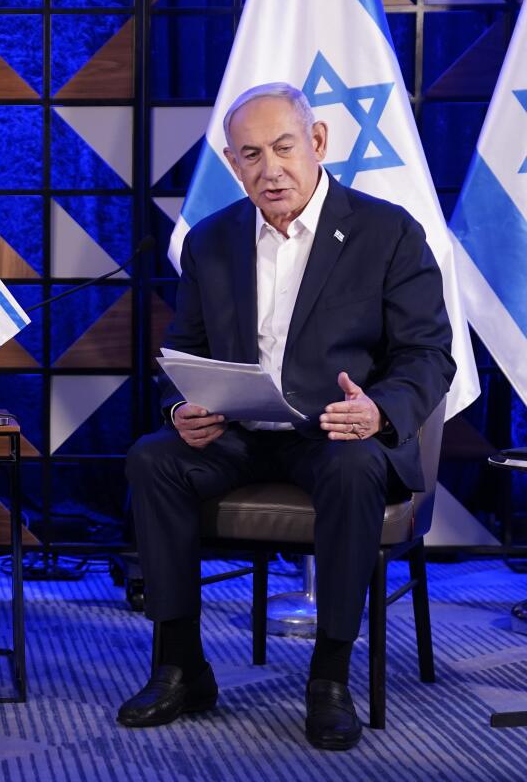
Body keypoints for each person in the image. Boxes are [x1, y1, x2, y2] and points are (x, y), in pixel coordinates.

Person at [119, 82, 455, 751]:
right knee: (153, 457)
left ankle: (329, 677)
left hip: (335, 435)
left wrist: (378, 411)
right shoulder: (211, 242)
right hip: (240, 435)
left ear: (318, 142)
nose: (270, 168)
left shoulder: (386, 232)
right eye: (251, 155)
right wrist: (185, 407)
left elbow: (428, 354)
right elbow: (187, 353)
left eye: (283, 147)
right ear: (232, 162)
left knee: (356, 466)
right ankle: (181, 664)